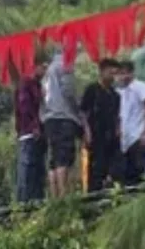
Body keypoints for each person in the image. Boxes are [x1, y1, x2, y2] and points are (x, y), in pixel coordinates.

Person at [40, 46, 83, 198]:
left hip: (49, 118)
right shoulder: (65, 65)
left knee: (54, 159)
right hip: (64, 116)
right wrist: (78, 110)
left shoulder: (48, 70)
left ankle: (55, 196)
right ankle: (65, 195)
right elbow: (69, 91)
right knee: (64, 157)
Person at [80, 58, 121, 192]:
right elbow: (83, 112)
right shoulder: (92, 90)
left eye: (115, 74)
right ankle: (93, 193)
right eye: (110, 73)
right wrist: (86, 131)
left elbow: (117, 115)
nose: (113, 77)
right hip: (96, 134)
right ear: (102, 72)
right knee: (96, 166)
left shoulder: (115, 95)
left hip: (111, 136)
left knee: (114, 166)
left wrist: (118, 129)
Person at [14, 50, 49, 203]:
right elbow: (25, 107)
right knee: (28, 168)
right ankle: (25, 201)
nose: (44, 71)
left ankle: (36, 198)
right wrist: (34, 125)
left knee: (38, 169)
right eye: (43, 67)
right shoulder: (26, 84)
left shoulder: (38, 85)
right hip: (28, 132)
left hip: (39, 132)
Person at [113, 60, 145, 187]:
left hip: (138, 135)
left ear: (132, 73)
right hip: (125, 138)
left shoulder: (140, 86)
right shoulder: (119, 92)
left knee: (138, 170)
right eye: (120, 74)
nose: (123, 77)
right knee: (125, 174)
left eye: (126, 73)